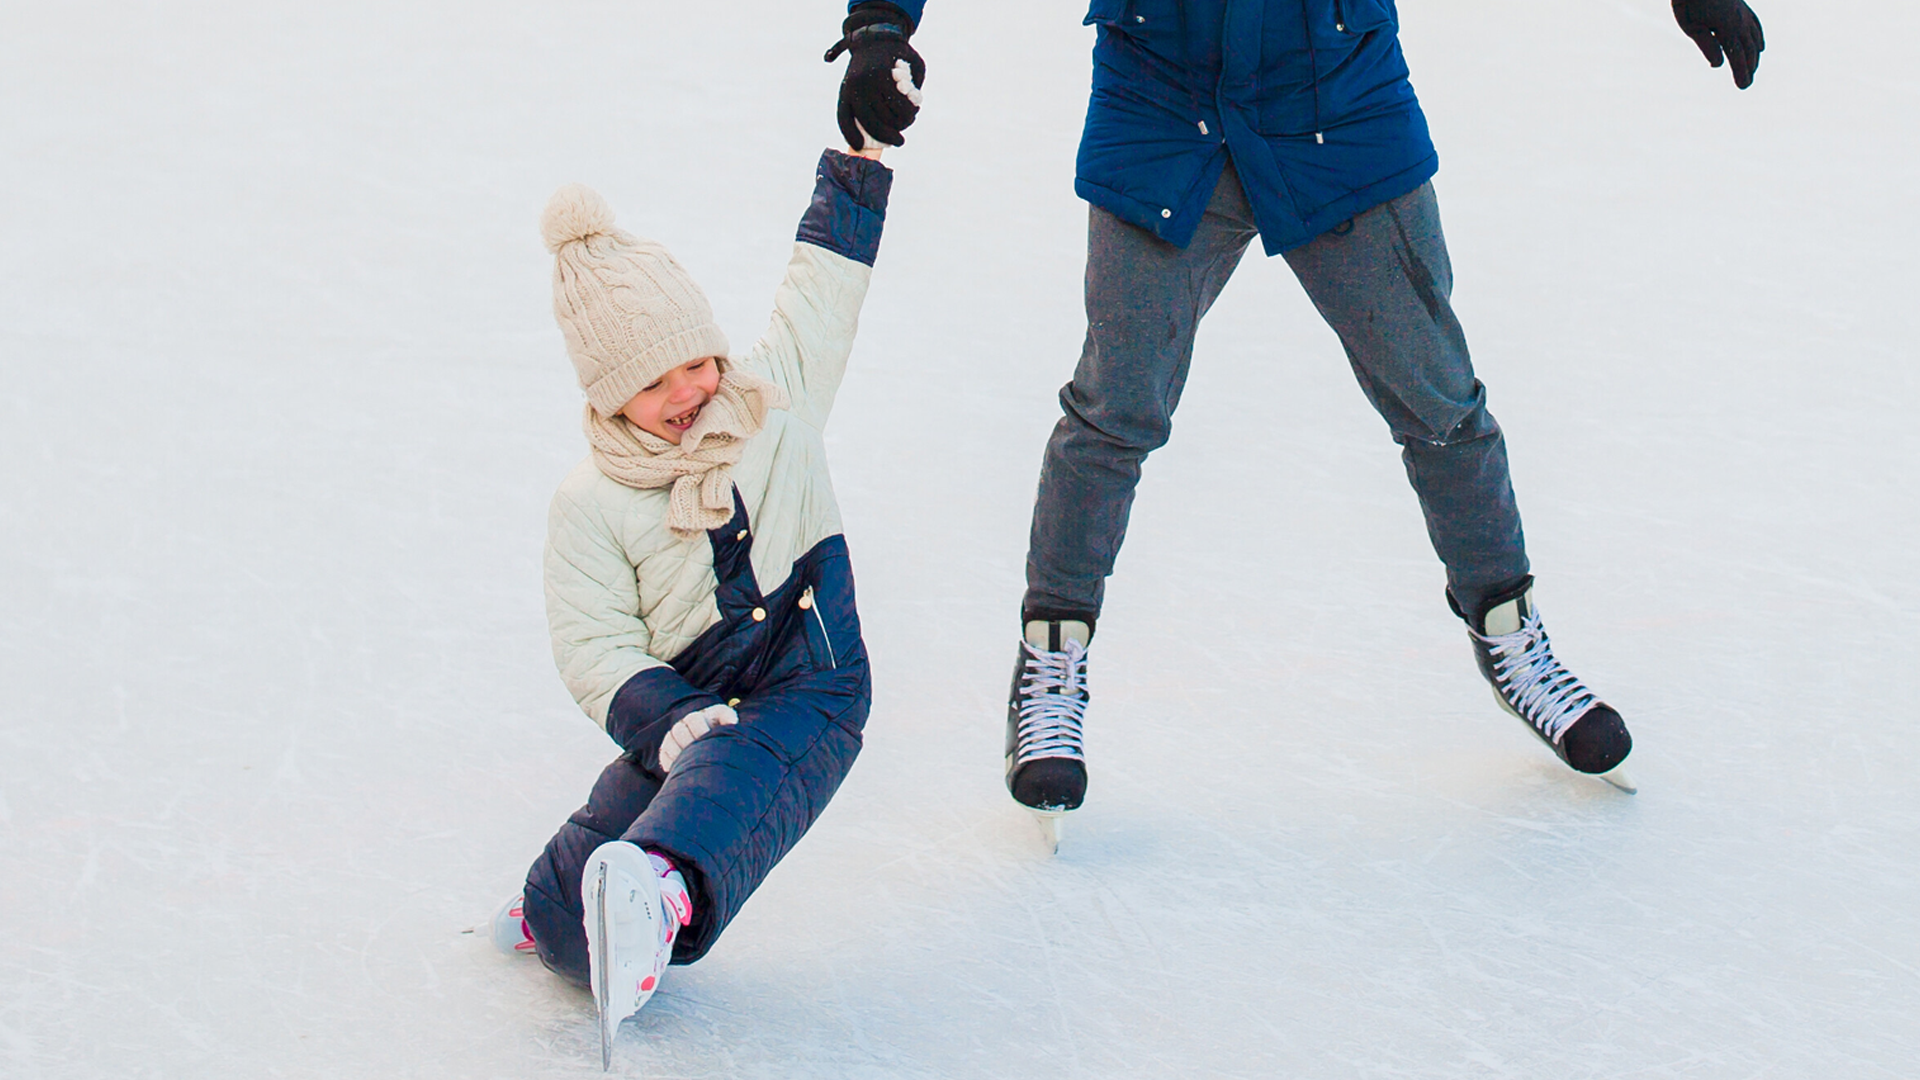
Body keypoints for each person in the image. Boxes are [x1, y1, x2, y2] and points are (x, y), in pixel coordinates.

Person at [822, 0, 1763, 821]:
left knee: (1438, 399)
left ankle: (1512, 640)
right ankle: (1054, 659)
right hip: (1162, 107)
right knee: (1116, 408)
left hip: (1338, 101)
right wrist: (880, 21)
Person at [488, 107, 914, 1063]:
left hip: (811, 676)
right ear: (608, 397)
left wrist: (863, 157)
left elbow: (824, 289)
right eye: (654, 382)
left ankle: (667, 890)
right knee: (576, 896)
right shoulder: (591, 501)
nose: (688, 390)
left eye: (695, 361)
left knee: (730, 781)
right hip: (686, 702)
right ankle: (558, 904)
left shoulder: (774, 401)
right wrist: (665, 716)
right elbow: (595, 643)